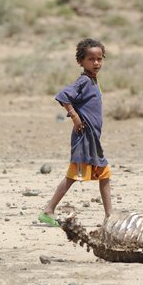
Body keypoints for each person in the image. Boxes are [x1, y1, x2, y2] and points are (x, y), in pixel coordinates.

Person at [39, 38, 112, 227]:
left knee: (104, 174)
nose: (96, 63)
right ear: (81, 62)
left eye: (99, 59)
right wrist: (74, 116)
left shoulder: (93, 81)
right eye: (91, 59)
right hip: (83, 139)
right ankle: (48, 210)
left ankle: (109, 216)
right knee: (72, 177)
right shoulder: (84, 81)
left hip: (93, 139)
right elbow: (63, 96)